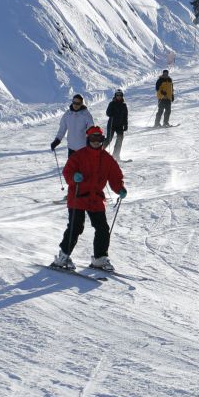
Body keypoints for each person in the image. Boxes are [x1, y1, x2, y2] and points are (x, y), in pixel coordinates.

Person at [52, 126, 125, 271]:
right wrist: (74, 177)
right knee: (76, 226)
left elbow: (115, 176)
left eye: (98, 138)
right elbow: (68, 172)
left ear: (102, 140)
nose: (96, 142)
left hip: (95, 198)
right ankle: (63, 257)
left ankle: (99, 258)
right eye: (93, 138)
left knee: (102, 228)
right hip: (78, 196)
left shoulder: (107, 159)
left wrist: (120, 188)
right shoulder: (79, 156)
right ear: (88, 139)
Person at [103, 89, 128, 159]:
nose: (119, 96)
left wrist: (126, 125)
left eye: (120, 95)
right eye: (117, 95)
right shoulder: (112, 103)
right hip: (112, 124)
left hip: (120, 125)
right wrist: (111, 112)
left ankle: (116, 155)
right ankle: (100, 150)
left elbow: (125, 116)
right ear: (115, 96)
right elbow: (107, 113)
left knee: (120, 138)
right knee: (109, 139)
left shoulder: (124, 105)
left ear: (122, 96)